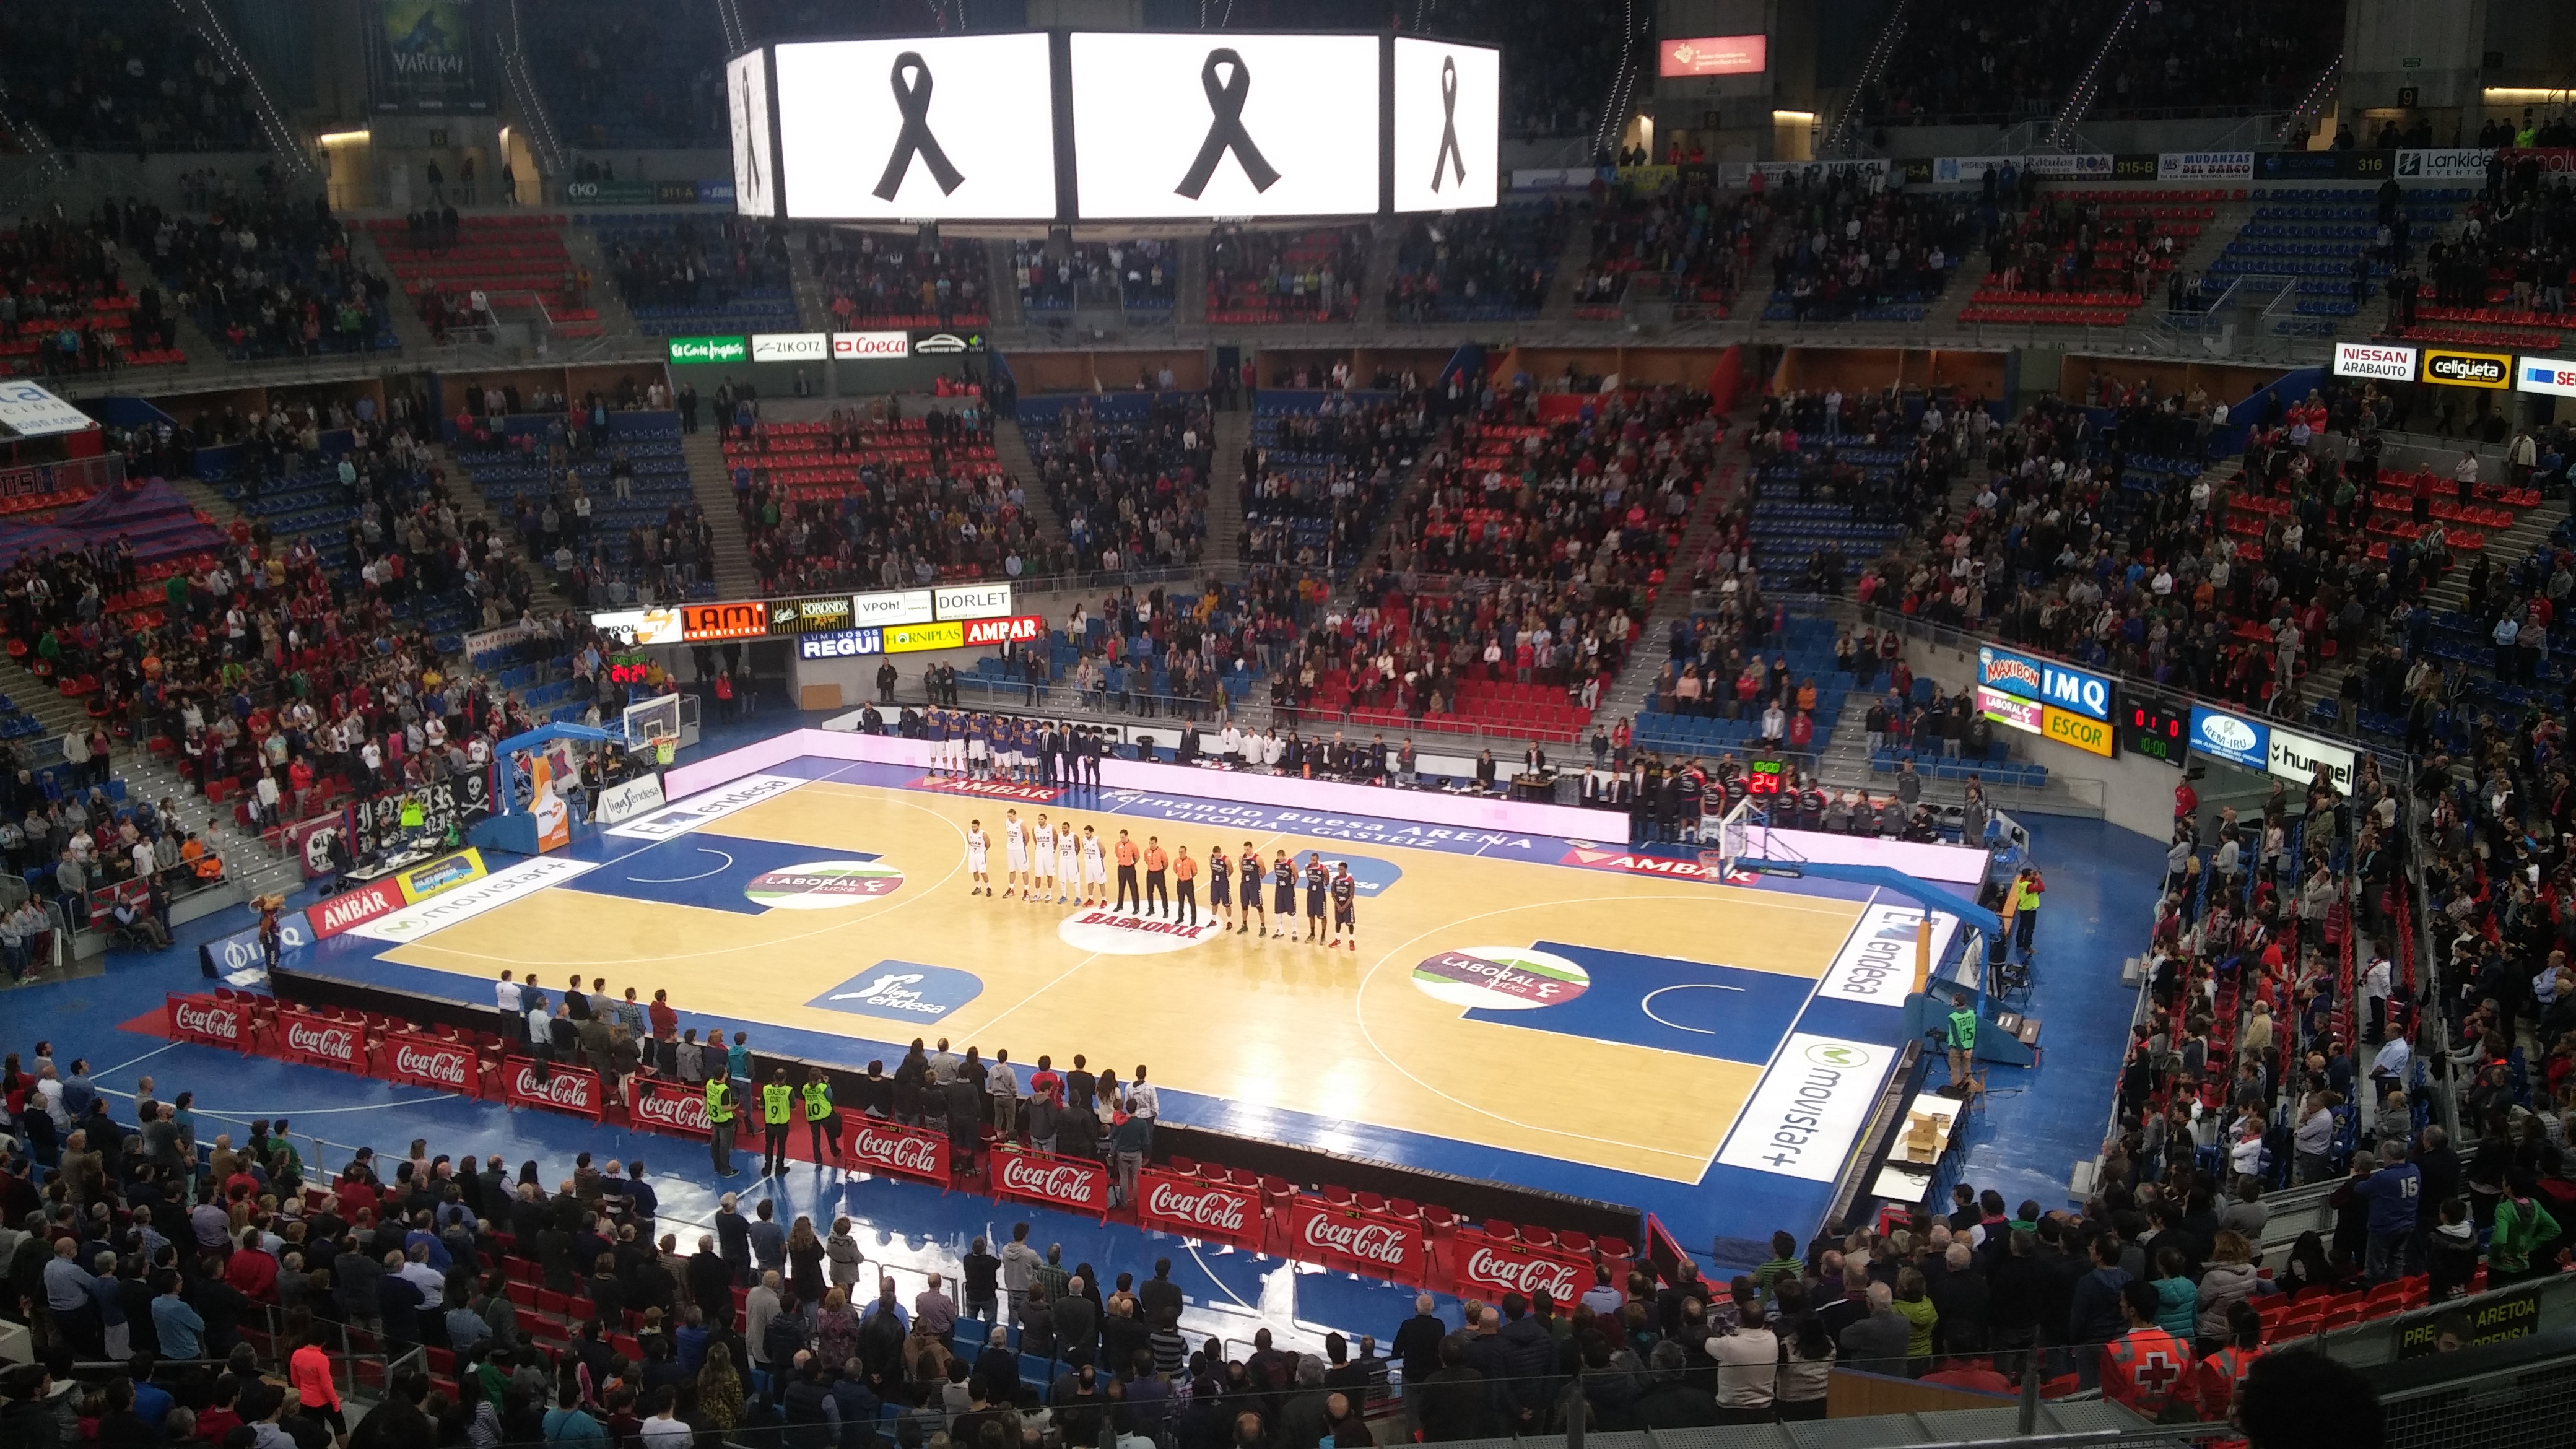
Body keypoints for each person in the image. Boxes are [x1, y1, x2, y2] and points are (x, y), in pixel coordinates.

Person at [2100, 1281, 2193, 1421]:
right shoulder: (2182, 1347)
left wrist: (2148, 1416)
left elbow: (2116, 1400)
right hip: (2172, 1427)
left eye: (2123, 1301)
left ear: (2133, 1312)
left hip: (2130, 1425)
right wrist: (2165, 1419)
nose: (2120, 1305)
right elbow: (2187, 1395)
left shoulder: (2115, 1350)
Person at [760, 1068, 796, 1177]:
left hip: (770, 1122)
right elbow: (793, 1108)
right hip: (782, 1123)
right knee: (781, 1146)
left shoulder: (765, 1089)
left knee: (769, 1146)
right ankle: (779, 1168)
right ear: (785, 1078)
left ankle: (767, 1168)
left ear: (774, 1077)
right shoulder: (788, 1090)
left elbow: (760, 1106)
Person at [802, 1068, 840, 1168]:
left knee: (816, 1138)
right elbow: (830, 1097)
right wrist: (827, 1084)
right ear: (820, 1078)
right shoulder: (823, 1087)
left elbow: (805, 1094)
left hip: (812, 1116)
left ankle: (818, 1158)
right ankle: (834, 1151)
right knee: (830, 1134)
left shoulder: (805, 1088)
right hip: (824, 1114)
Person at [705, 1074, 741, 1177]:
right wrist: (735, 1107)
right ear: (723, 1075)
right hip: (725, 1121)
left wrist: (708, 1112)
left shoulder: (710, 1083)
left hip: (714, 1119)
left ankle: (717, 1166)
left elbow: (705, 1098)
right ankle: (726, 1170)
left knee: (715, 1144)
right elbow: (725, 1108)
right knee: (725, 1147)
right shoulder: (724, 1089)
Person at [1946, 991, 1977, 1088]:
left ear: (1956, 1003)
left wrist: (1962, 1050)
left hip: (1957, 1049)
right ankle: (1969, 1090)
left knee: (1955, 1070)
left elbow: (1956, 1036)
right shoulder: (1972, 1014)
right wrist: (1971, 1048)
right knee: (1967, 1070)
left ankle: (1957, 1091)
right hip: (1969, 1048)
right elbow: (1975, 1031)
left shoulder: (1953, 1017)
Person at [1330, 861, 1359, 952]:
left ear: (1345, 870)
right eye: (1339, 869)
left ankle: (1351, 941)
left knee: (1350, 923)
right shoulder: (1335, 880)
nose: (1340, 871)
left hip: (1348, 906)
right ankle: (1337, 940)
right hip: (1338, 905)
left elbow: (1351, 895)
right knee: (1338, 923)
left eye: (1342, 870)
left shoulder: (1350, 880)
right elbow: (1333, 894)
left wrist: (1345, 906)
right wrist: (1338, 905)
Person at [965, 819, 991, 897]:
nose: (973, 828)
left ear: (978, 826)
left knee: (983, 872)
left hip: (980, 855)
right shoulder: (969, 833)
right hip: (972, 854)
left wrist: (983, 851)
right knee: (974, 871)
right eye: (972, 827)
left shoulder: (983, 834)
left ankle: (988, 887)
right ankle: (978, 887)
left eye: (975, 827)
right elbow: (969, 842)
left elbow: (988, 844)